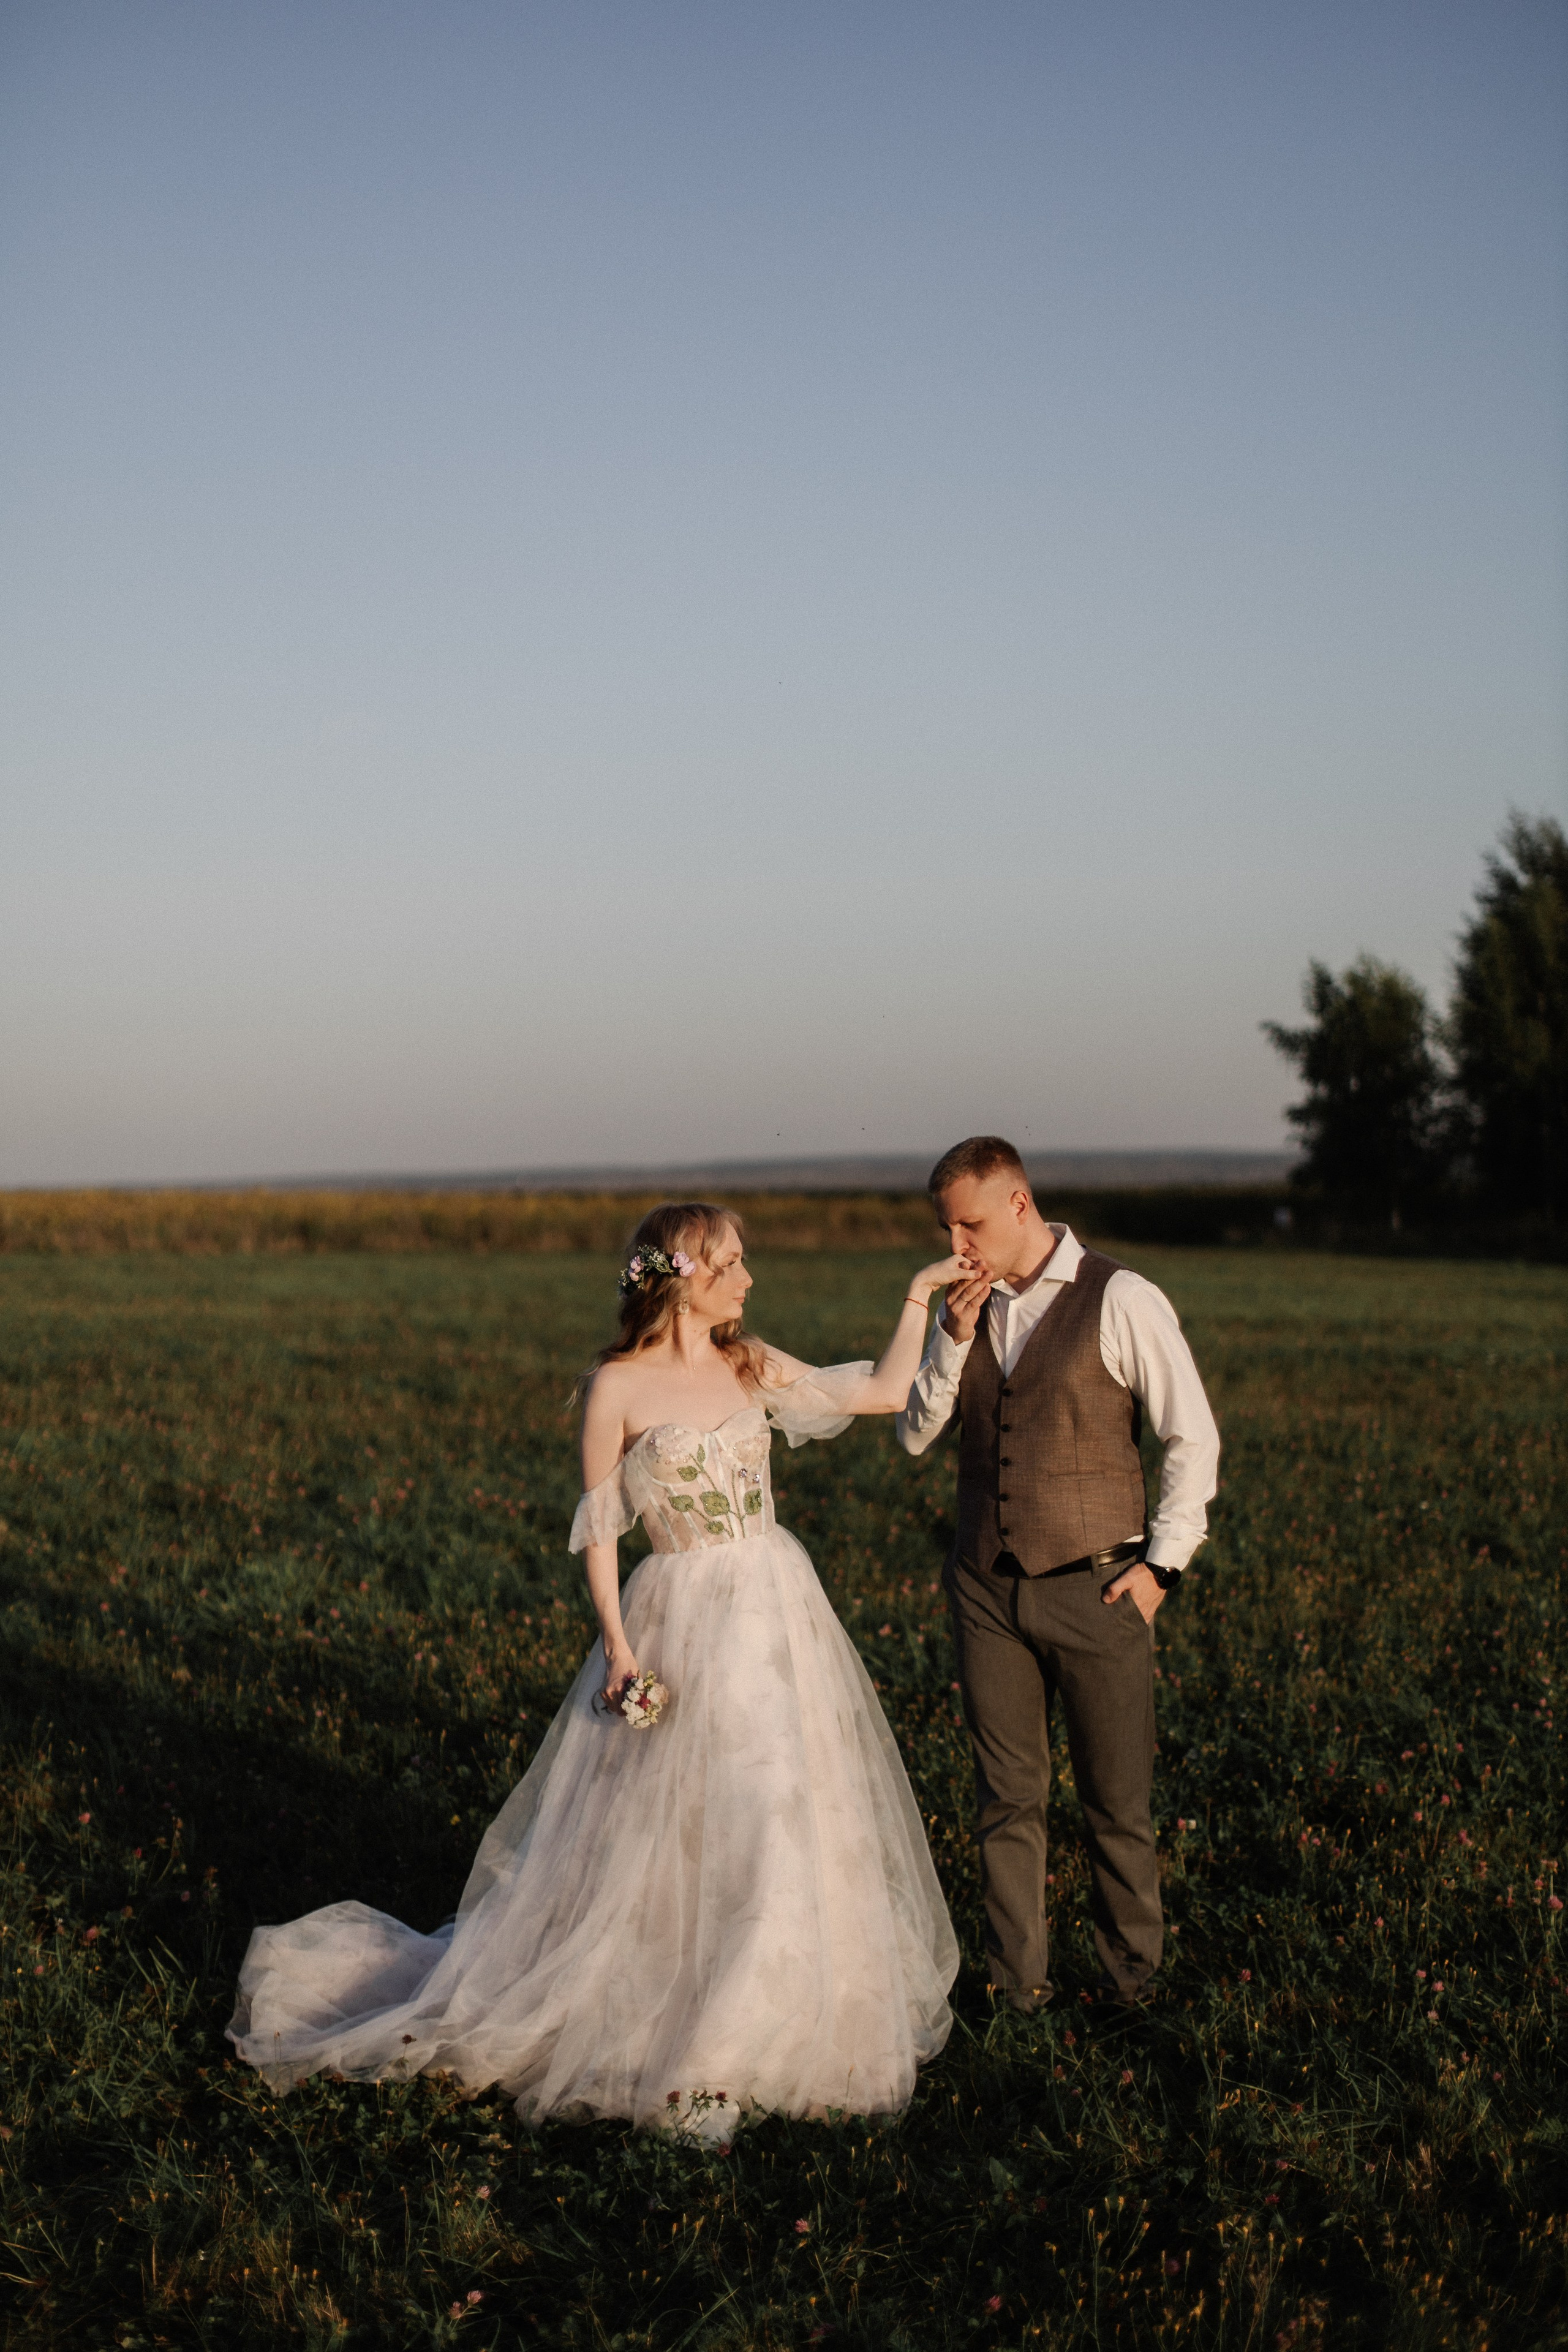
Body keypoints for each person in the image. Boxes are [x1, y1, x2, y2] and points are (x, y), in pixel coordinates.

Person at [228, 1203, 962, 2138]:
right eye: (732, 1264)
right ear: (684, 1279)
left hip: (775, 1607)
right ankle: (672, 2001)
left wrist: (922, 1296)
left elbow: (884, 1391)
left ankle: (775, 2010)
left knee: (781, 1802)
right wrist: (619, 1646)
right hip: (679, 1614)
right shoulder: (616, 1387)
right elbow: (603, 1528)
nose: (748, 1279)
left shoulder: (749, 1362)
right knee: (674, 1818)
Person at [897, 1136, 1219, 2013]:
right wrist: (952, 1340)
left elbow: (1192, 1436)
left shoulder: (1122, 1297)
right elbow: (916, 1435)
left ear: (1019, 1203)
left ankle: (1133, 1987)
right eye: (945, 1228)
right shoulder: (965, 1309)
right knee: (1007, 1799)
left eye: (968, 1224)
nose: (956, 1245)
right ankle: (1016, 1991)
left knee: (1116, 1803)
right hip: (983, 1588)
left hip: (1098, 1587)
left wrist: (1162, 1569)